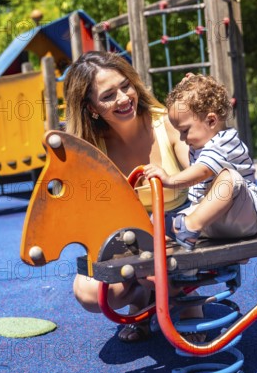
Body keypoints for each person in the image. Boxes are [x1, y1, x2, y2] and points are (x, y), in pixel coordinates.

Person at [63, 51, 197, 343]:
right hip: (127, 236)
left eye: (126, 86)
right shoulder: (92, 147)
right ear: (92, 107)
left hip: (177, 227)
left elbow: (200, 169)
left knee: (185, 313)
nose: (123, 98)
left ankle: (183, 295)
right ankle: (146, 300)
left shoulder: (167, 124)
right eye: (108, 95)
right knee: (88, 293)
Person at [144, 75, 257, 249]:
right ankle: (175, 234)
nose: (182, 138)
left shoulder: (225, 141)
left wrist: (169, 180)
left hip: (245, 217)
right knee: (162, 218)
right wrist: (188, 89)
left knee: (230, 178)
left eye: (185, 131)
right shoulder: (199, 146)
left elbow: (202, 171)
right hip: (215, 221)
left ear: (211, 120)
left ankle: (188, 226)